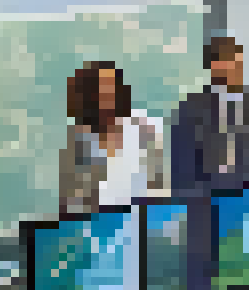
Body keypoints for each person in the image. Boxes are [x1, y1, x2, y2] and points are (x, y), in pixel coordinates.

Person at [170, 34, 249, 194]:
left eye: (236, 61)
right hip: (206, 197)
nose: (234, 67)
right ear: (213, 66)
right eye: (225, 60)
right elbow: (182, 170)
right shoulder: (190, 108)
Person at [58, 61, 167, 214]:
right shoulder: (78, 142)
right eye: (100, 92)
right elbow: (73, 203)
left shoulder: (145, 128)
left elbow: (159, 185)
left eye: (112, 89)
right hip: (99, 221)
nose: (108, 97)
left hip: (147, 216)